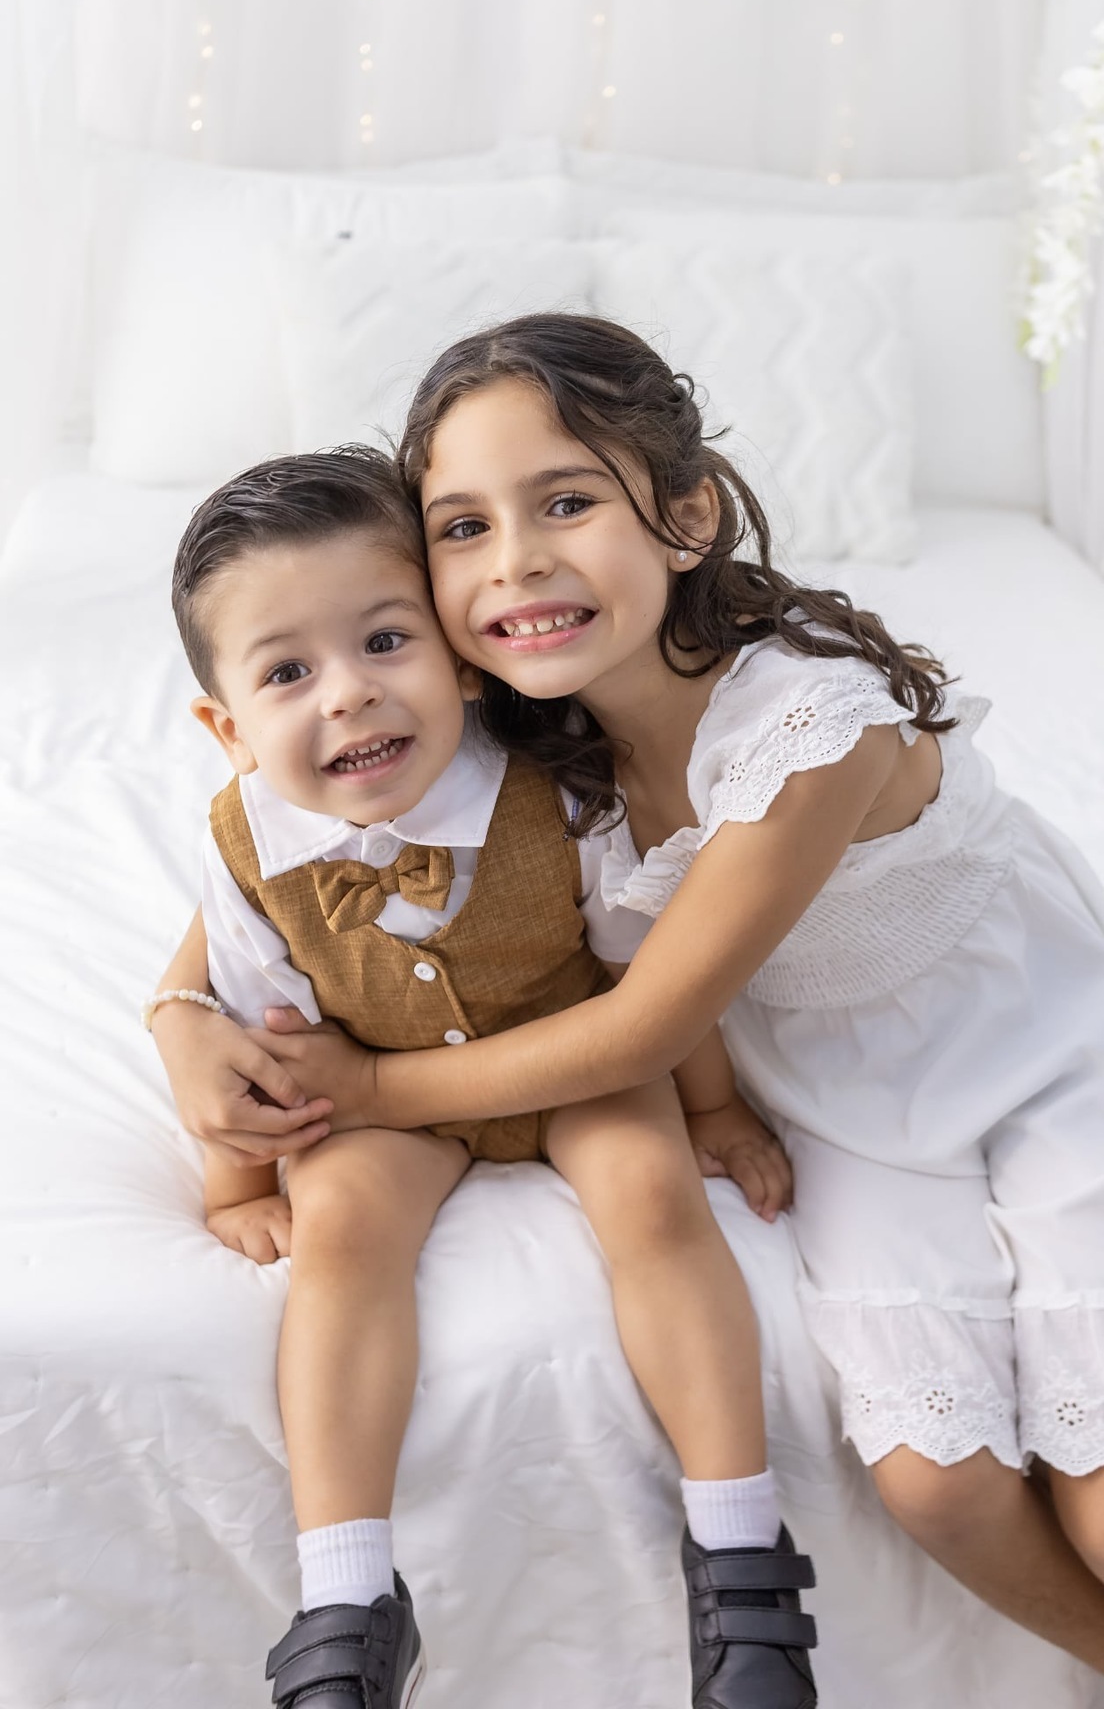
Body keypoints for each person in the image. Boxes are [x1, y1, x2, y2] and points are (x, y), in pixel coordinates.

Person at [209, 314, 1104, 1708]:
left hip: (1034, 1066)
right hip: (841, 1103)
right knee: (940, 1488)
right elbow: (270, 850)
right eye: (463, 528)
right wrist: (181, 1018)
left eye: (565, 502)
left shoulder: (812, 725)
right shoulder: (507, 724)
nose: (518, 564)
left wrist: (364, 1097)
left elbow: (639, 1033)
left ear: (685, 516)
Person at [153, 447, 819, 1709]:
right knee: (343, 1231)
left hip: (574, 1050)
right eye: (288, 673)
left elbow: (652, 977)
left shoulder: (560, 796)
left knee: (652, 1194)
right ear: (228, 728)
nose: (347, 697)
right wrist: (235, 1180)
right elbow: (242, 1029)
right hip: (382, 1084)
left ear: (460, 656)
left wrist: (718, 1106)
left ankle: (742, 1563)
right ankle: (345, 1595)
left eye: (384, 642)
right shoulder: (242, 848)